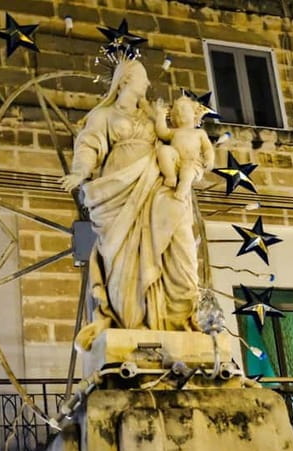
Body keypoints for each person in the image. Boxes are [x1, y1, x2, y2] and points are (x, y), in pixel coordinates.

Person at [60, 60, 202, 351]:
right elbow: (89, 143)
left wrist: (190, 165)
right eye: (143, 78)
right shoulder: (104, 115)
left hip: (156, 184)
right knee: (122, 259)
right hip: (117, 190)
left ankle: (177, 317)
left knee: (179, 242)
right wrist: (80, 171)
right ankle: (132, 321)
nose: (148, 85)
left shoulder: (152, 117)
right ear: (125, 80)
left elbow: (178, 143)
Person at [155, 95, 215, 201]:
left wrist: (209, 159)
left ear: (194, 114)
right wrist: (161, 116)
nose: (181, 113)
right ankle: (170, 176)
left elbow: (208, 148)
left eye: (184, 110)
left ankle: (181, 193)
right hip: (177, 161)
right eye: (177, 113)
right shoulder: (175, 132)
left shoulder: (199, 133)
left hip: (193, 163)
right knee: (163, 150)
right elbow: (162, 132)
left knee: (187, 173)